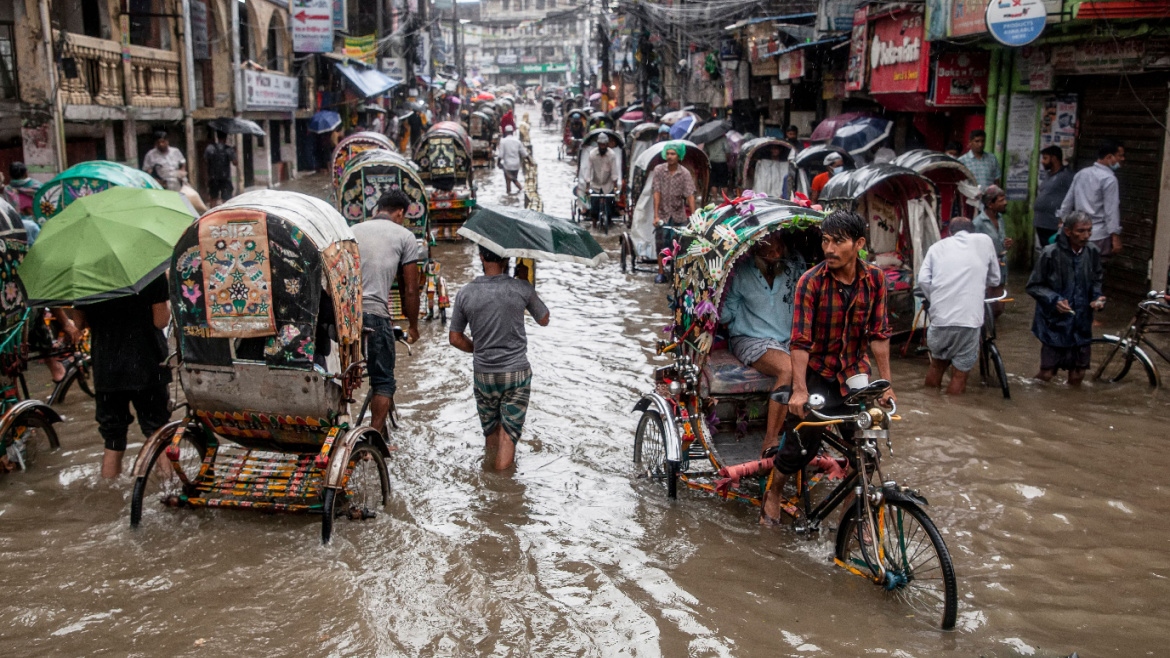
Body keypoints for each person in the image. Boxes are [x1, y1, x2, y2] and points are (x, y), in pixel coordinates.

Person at [781, 210, 894, 523]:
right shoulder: (811, 281)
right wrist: (800, 390)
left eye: (838, 241)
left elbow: (880, 337)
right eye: (825, 241)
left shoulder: (875, 279)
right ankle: (774, 492)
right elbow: (800, 341)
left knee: (868, 450)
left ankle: (854, 517)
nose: (829, 249)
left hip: (854, 373)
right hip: (818, 371)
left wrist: (886, 384)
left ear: (858, 244)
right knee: (799, 447)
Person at [721, 234, 805, 518]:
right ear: (758, 250)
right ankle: (770, 441)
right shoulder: (742, 272)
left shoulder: (794, 269)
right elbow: (725, 315)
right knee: (787, 369)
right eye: (771, 249)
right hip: (749, 339)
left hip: (787, 340)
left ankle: (799, 435)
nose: (776, 253)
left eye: (781, 248)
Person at [449, 246, 550, 470]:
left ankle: (489, 488)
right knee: (508, 435)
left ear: (481, 257)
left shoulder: (465, 293)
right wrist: (526, 285)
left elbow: (455, 338)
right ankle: (503, 492)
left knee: (491, 431)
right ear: (507, 259)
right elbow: (544, 318)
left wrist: (479, 349)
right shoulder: (520, 288)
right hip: (516, 374)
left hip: (483, 374)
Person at [70, 275, 172, 479]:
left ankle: (110, 499)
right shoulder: (149, 270)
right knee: (157, 432)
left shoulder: (83, 275)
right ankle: (171, 492)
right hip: (146, 365)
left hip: (107, 369)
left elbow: (79, 322)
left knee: (113, 438)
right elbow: (161, 320)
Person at [351, 190, 421, 435]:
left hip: (344, 317)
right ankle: (374, 438)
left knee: (345, 374)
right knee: (383, 381)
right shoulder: (405, 236)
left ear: (377, 208)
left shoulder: (352, 230)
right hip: (375, 316)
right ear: (400, 213)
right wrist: (413, 326)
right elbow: (410, 289)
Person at [918, 217, 1001, 394]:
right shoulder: (985, 241)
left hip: (940, 318)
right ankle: (952, 413)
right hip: (968, 320)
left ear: (949, 233)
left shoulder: (936, 247)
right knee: (960, 375)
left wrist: (936, 299)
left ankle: (929, 404)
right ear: (973, 231)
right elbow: (995, 279)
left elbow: (923, 280)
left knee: (937, 365)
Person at [1026, 211, 1105, 386]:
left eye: (1089, 230)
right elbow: (1033, 286)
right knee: (1047, 373)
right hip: (1054, 324)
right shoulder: (1050, 253)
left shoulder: (1092, 252)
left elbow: (1097, 280)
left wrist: (1097, 298)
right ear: (1068, 232)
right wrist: (1054, 300)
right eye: (1081, 231)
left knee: (1078, 374)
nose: (1086, 235)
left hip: (1081, 322)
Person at [1058, 138, 1124, 260]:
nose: (1122, 159)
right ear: (1109, 157)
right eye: (1120, 155)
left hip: (1077, 234)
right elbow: (1111, 211)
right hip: (1098, 235)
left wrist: (1062, 221)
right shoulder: (1109, 179)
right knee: (1096, 271)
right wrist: (1115, 236)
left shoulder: (1082, 173)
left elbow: (1067, 202)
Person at [652, 141, 696, 284]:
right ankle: (660, 271)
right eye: (668, 153)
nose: (669, 156)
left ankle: (679, 271)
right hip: (663, 214)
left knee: (681, 245)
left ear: (679, 156)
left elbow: (690, 195)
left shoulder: (685, 173)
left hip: (678, 214)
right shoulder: (659, 170)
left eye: (673, 154)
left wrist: (695, 218)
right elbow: (656, 192)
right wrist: (656, 215)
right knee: (661, 244)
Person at [1033, 145, 1073, 248]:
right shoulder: (1049, 175)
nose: (1042, 161)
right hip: (1041, 222)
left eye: (1045, 158)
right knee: (1046, 251)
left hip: (1053, 224)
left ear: (1054, 158)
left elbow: (1072, 196)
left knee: (1054, 251)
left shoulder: (1066, 175)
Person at [580, 132, 621, 229]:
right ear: (598, 144)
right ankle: (594, 225)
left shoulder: (611, 155)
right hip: (595, 184)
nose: (602, 147)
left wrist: (615, 187)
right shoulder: (592, 154)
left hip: (608, 184)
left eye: (604, 145)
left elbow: (614, 171)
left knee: (610, 205)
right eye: (601, 145)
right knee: (594, 207)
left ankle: (609, 221)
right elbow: (588, 170)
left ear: (607, 145)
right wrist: (587, 186)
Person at [973, 185, 1012, 282]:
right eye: (1001, 201)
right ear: (990, 204)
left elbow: (998, 241)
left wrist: (1005, 244)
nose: (1005, 203)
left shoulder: (1000, 219)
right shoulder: (978, 223)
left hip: (1001, 265)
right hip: (986, 269)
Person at [203, 130, 236, 207]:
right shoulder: (228, 149)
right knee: (226, 200)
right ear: (226, 137)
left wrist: (206, 176)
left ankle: (212, 215)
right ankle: (225, 215)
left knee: (213, 198)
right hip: (225, 178)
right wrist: (234, 152)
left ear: (217, 137)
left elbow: (205, 161)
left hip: (213, 177)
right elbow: (235, 163)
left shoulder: (210, 148)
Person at [498, 124, 528, 196]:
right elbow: (524, 153)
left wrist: (498, 163)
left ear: (505, 132)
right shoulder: (517, 141)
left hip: (507, 165)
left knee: (509, 181)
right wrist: (530, 161)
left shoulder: (503, 141)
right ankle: (520, 193)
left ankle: (512, 193)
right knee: (514, 179)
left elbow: (501, 155)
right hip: (516, 165)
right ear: (512, 132)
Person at [706, 133, 730, 199]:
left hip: (712, 162)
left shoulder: (708, 140)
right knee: (724, 182)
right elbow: (728, 150)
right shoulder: (723, 139)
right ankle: (725, 199)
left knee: (713, 182)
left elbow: (706, 152)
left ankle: (715, 199)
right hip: (722, 162)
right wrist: (727, 159)